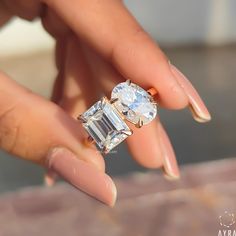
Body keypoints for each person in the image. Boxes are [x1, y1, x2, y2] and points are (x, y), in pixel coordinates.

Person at [0, 0, 211, 206]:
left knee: (96, 131)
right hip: (106, 120)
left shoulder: (131, 107)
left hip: (109, 122)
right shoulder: (125, 101)